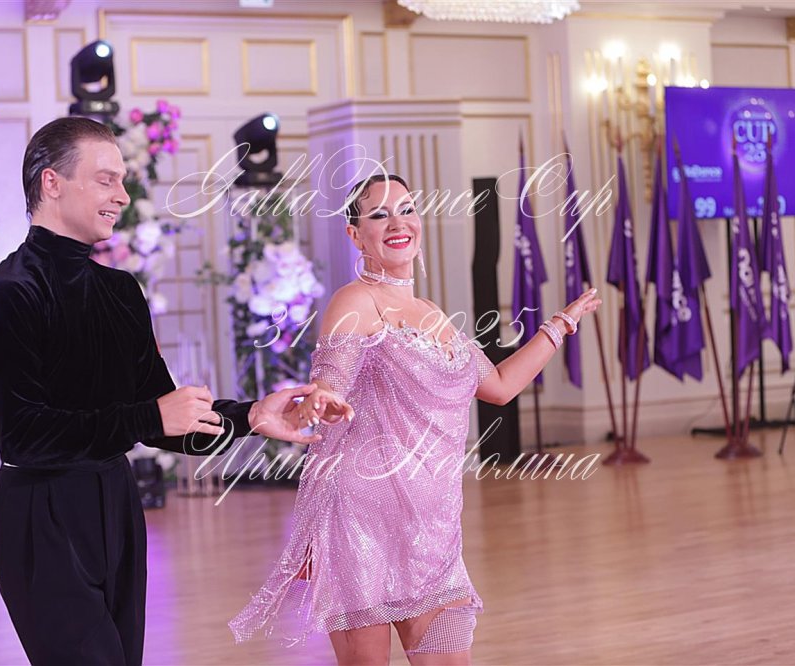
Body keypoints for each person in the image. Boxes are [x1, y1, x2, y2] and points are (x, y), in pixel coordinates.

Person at [0, 116, 332, 666]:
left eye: (122, 180)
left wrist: (252, 416)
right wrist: (148, 419)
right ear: (51, 183)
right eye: (106, 179)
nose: (123, 195)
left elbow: (164, 421)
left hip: (116, 504)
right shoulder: (7, 293)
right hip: (42, 516)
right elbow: (23, 438)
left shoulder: (119, 291)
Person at [228, 174, 601, 664]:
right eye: (379, 215)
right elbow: (328, 383)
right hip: (361, 520)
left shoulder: (431, 313)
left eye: (406, 209)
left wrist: (559, 326)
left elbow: (499, 386)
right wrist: (319, 399)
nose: (397, 223)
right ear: (355, 234)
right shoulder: (355, 301)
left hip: (432, 528)